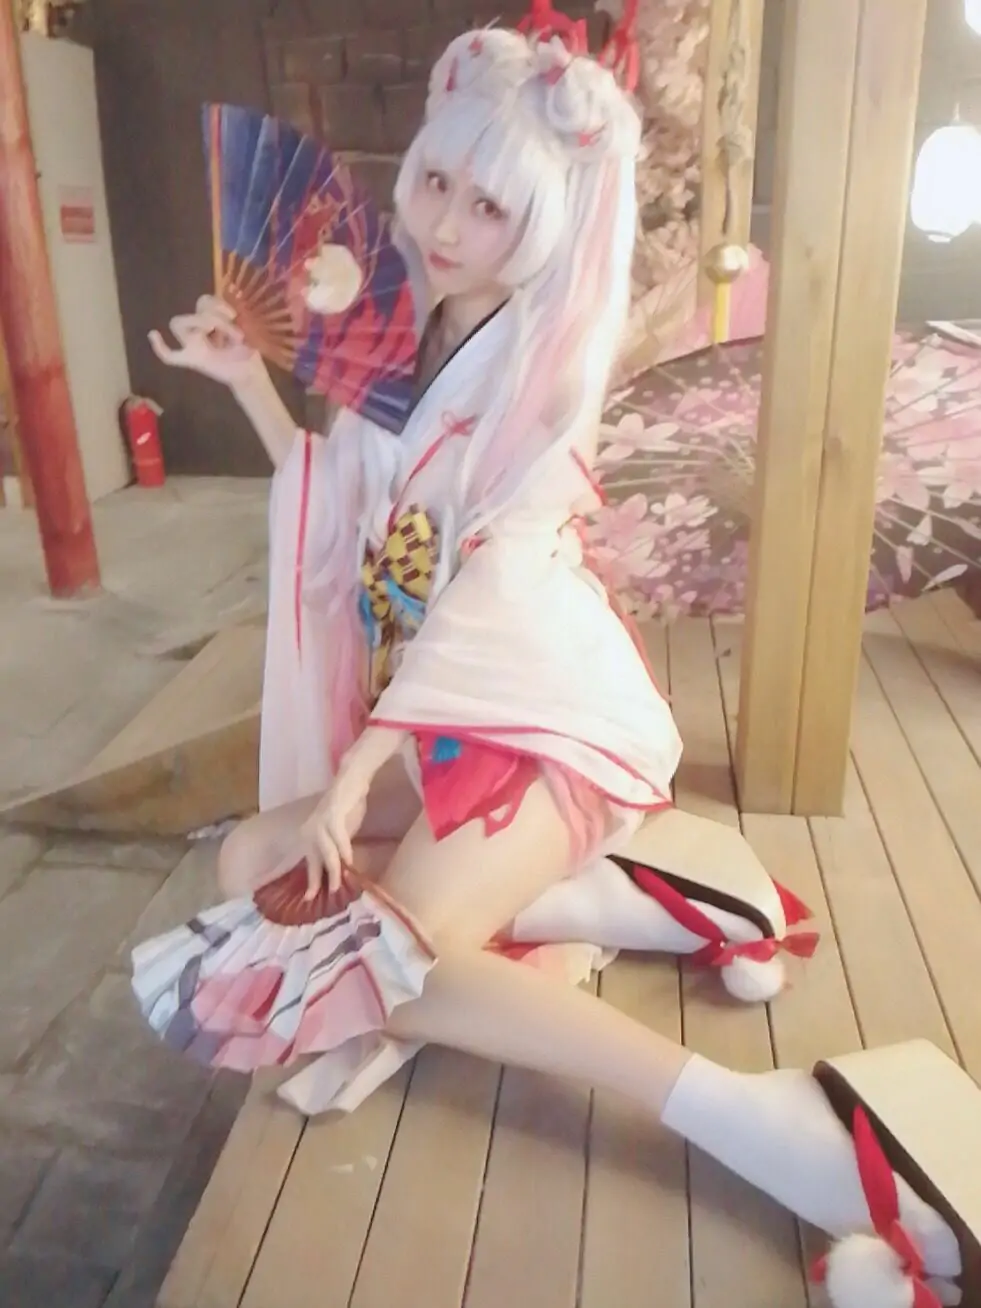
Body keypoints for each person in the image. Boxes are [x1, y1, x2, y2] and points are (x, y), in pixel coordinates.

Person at [134, 20, 970, 1305]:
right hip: (433, 712)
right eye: (436, 181)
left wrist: (362, 764)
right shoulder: (402, 337)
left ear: (542, 223)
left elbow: (494, 586)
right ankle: (616, 898)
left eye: (490, 205)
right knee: (256, 865)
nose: (446, 223)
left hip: (528, 711)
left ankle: (756, 1115)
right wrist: (249, 379)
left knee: (393, 960)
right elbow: (341, 500)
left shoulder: (544, 369)